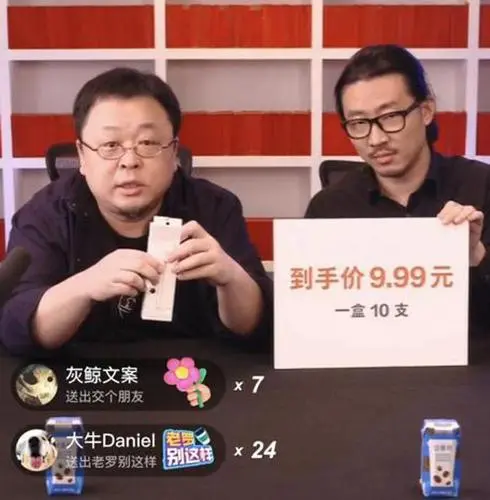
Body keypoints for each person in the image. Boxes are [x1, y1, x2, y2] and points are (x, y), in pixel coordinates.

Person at [0, 67, 272, 355]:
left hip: (192, 374)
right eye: (110, 145)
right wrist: (84, 286)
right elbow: (18, 329)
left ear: (173, 152)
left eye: (147, 143)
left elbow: (258, 327)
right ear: (82, 156)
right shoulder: (44, 215)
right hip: (82, 375)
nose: (129, 161)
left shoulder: (214, 207)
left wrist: (231, 278)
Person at [305, 44, 490, 335]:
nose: (376, 139)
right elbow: (312, 315)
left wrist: (476, 257)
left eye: (390, 117)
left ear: (426, 111)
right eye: (359, 123)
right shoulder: (328, 208)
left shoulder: (481, 186)